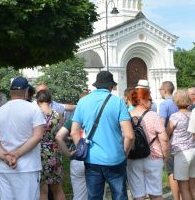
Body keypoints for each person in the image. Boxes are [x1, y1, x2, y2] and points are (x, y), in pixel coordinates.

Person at [71, 71, 134, 200]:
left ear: (96, 85)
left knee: (94, 196)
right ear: (111, 86)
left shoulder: (83, 102)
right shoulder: (118, 102)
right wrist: (124, 153)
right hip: (115, 157)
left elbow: (73, 132)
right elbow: (130, 135)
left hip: (91, 158)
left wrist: (82, 149)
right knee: (119, 195)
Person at [0, 77, 45, 200]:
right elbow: (38, 135)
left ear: (10, 92)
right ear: (26, 91)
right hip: (28, 167)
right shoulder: (34, 109)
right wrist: (17, 155)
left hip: (5, 167)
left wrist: (6, 157)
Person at [127, 88, 169, 200]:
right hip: (153, 157)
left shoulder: (126, 115)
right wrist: (165, 155)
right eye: (149, 99)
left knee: (138, 195)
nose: (151, 102)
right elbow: (164, 139)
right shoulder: (153, 115)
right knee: (156, 195)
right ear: (142, 100)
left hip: (133, 157)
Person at [168, 90, 195, 200]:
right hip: (194, 150)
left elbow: (167, 132)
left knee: (183, 187)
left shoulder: (175, 117)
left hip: (181, 153)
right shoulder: (193, 114)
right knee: (193, 186)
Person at [36, 89, 65, 200]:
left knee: (43, 191)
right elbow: (61, 133)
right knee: (57, 189)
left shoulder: (37, 114)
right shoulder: (58, 115)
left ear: (38, 101)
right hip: (55, 152)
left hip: (41, 153)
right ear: (50, 100)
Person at [158, 80, 180, 200]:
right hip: (182, 141)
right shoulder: (177, 102)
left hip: (170, 140)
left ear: (165, 90)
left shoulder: (164, 104)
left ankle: (176, 198)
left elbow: (161, 124)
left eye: (160, 89)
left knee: (171, 172)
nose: (160, 91)